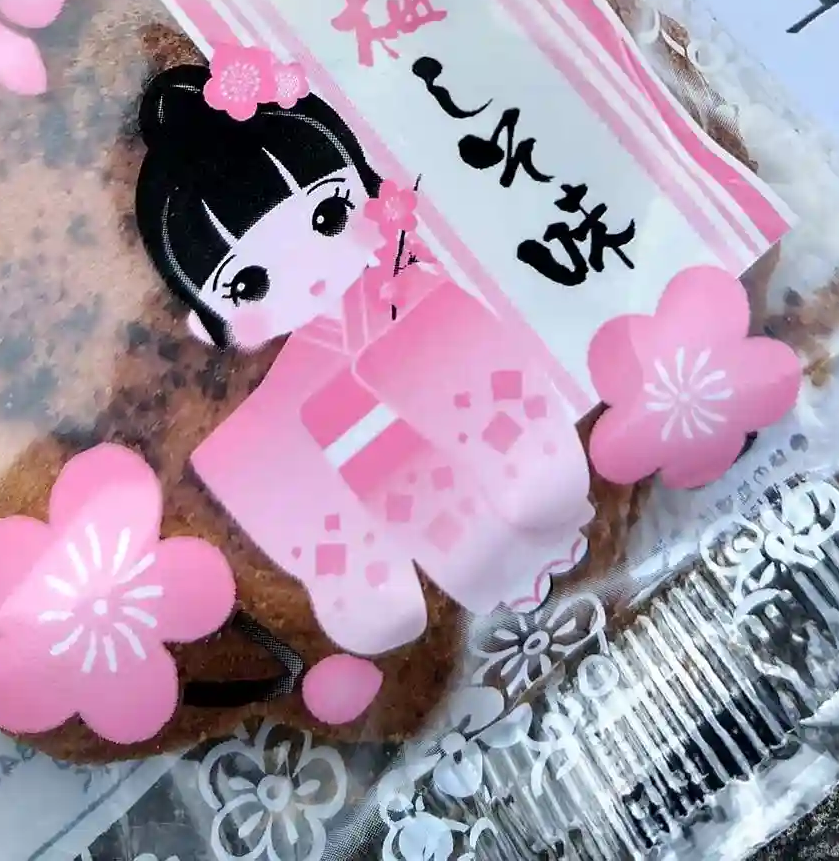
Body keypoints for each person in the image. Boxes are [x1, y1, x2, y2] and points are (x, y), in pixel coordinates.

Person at [135, 63, 593, 658]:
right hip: (374, 456)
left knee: (494, 450)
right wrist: (351, 575)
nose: (309, 273)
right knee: (432, 515)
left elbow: (496, 371)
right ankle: (493, 578)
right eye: (247, 284)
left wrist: (538, 463)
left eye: (328, 216)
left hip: (446, 395)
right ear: (207, 319)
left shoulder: (419, 288)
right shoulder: (298, 380)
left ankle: (540, 537)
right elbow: (278, 471)